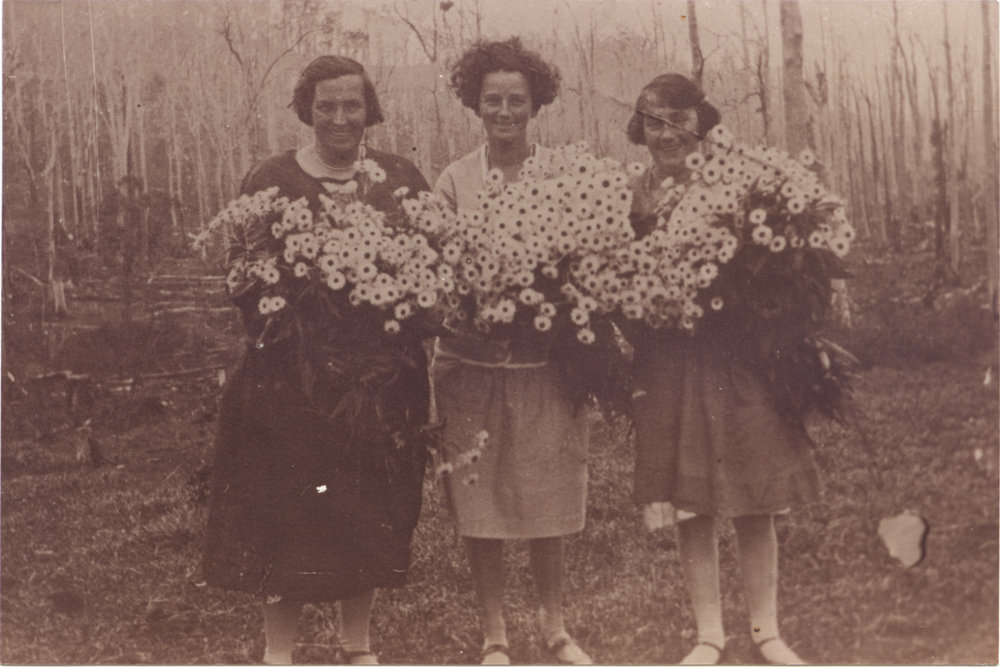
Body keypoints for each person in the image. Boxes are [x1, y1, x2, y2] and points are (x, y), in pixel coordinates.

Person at [202, 56, 431, 666]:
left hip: (376, 384)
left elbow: (431, 270)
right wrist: (306, 335)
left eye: (351, 104)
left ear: (369, 109)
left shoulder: (399, 177)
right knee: (288, 514)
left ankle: (356, 646)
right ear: (307, 109)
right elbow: (243, 279)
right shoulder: (270, 179)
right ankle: (280, 651)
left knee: (364, 509)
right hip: (291, 385)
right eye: (325, 105)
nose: (338, 117)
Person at [624, 73, 820, 665]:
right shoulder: (634, 193)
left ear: (699, 122)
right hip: (670, 358)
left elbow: (771, 262)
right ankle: (709, 633)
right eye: (653, 122)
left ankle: (767, 630)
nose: (666, 134)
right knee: (690, 499)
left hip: (738, 358)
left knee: (755, 492)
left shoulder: (736, 180)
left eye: (678, 120)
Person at [430, 38, 592, 665]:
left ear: (536, 104)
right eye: (492, 99)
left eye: (516, 100)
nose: (504, 111)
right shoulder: (454, 179)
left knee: (547, 494)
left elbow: (588, 261)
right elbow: (440, 272)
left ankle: (554, 624)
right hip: (471, 366)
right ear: (476, 104)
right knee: (482, 500)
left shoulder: (564, 173)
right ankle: (495, 630)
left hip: (545, 366)